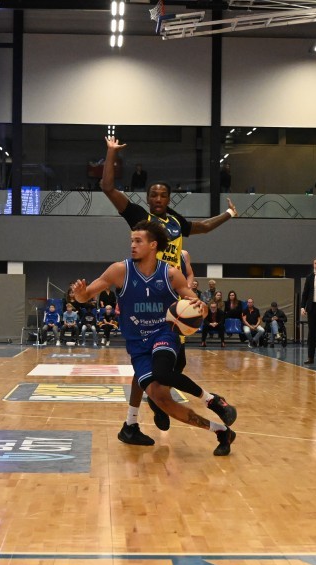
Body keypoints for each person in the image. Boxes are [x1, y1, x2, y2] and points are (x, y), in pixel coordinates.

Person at [101, 135, 238, 443]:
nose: (158, 198)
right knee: (154, 365)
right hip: (145, 292)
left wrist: (229, 214)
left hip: (172, 295)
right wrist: (111, 154)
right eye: (154, 194)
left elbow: (202, 227)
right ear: (148, 198)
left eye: (163, 195)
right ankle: (155, 406)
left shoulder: (176, 221)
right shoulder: (140, 217)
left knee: (172, 364)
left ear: (169, 198)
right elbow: (108, 187)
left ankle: (146, 410)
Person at [71, 220, 237, 455]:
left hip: (163, 333)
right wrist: (79, 295)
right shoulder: (119, 271)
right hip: (137, 344)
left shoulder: (171, 274)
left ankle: (212, 400)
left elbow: (195, 302)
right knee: (162, 400)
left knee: (162, 372)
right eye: (131, 241)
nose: (132, 245)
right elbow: (86, 295)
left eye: (138, 241)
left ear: (153, 245)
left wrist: (200, 307)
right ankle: (221, 432)